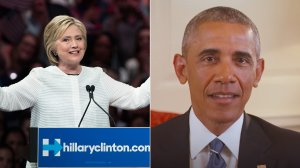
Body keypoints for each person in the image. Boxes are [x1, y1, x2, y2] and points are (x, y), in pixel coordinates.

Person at [151, 6, 300, 168]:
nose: (226, 76)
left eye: (241, 60)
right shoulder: (138, 150)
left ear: (257, 72)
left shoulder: (294, 151)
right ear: (181, 69)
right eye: (209, 59)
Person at [0, 15, 149, 167]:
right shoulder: (40, 78)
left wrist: (165, 65)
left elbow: (138, 98)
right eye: (66, 39)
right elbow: (6, 99)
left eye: (79, 38)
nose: (74, 44)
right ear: (53, 47)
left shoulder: (98, 77)